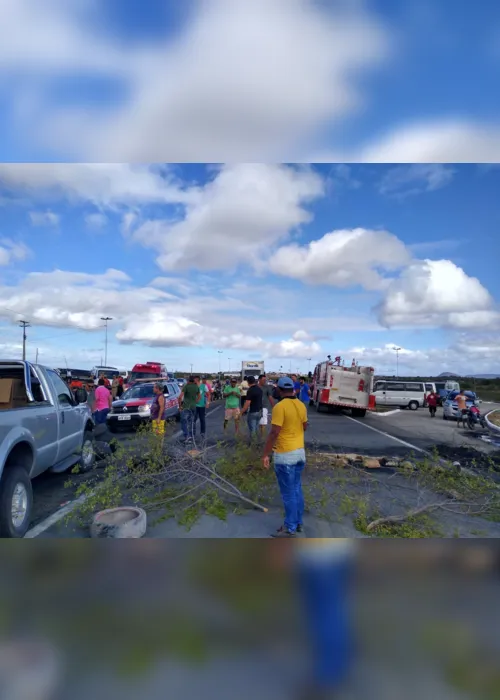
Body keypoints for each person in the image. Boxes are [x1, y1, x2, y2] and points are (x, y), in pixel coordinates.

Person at [263, 376, 308, 538]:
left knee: (288, 493)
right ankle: (298, 523)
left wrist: (266, 454)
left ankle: (290, 527)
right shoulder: (301, 405)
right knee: (296, 490)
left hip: (285, 455)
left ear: (280, 390)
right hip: (299, 453)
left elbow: (274, 432)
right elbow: (305, 426)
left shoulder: (280, 407)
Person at [179, 376, 200, 443]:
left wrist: (180, 406)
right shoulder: (196, 387)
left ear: (188, 381)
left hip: (186, 407)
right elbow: (199, 396)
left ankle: (186, 436)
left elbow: (180, 397)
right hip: (193, 407)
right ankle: (192, 436)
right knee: (191, 422)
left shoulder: (186, 386)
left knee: (184, 422)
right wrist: (195, 401)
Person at [241, 375, 263, 441]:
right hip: (259, 411)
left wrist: (241, 412)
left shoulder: (250, 390)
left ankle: (254, 443)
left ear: (248, 382)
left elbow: (247, 403)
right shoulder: (259, 389)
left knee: (252, 429)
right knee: (256, 428)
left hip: (253, 411)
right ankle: (257, 442)